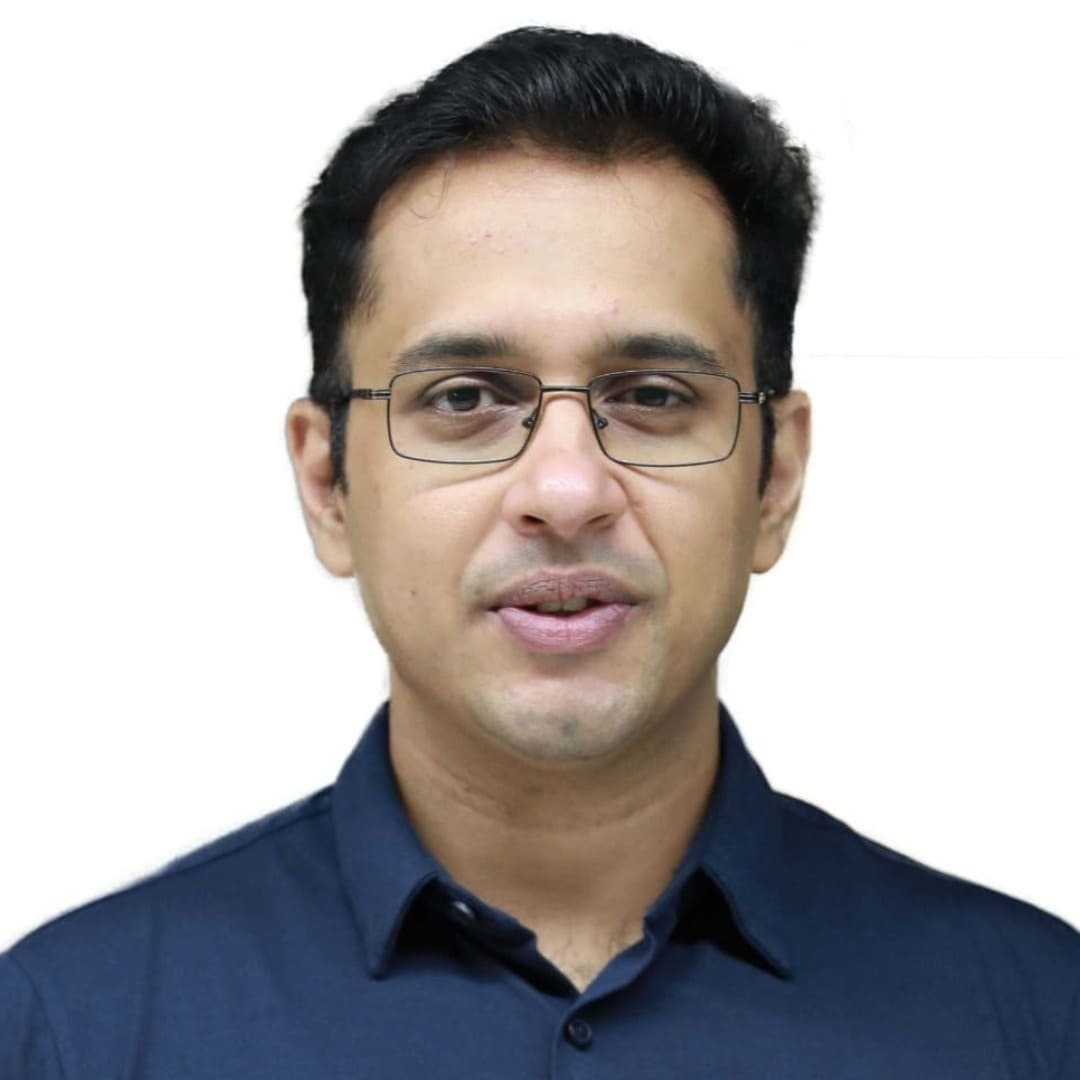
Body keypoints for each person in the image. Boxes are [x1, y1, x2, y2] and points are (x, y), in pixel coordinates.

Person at [2, 23, 1077, 1078]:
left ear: (775, 478)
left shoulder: (1035, 1021)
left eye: (654, 396)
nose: (566, 491)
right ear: (327, 483)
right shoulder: (71, 1032)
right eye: (464, 398)